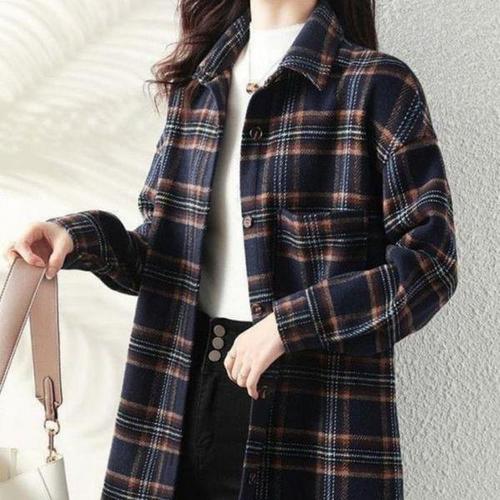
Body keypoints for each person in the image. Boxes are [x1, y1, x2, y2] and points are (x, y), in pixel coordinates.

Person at [3, 0, 458, 499]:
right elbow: (165, 258)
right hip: (176, 400)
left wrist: (288, 325)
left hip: (313, 419)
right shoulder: (198, 88)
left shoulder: (377, 86)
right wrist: (78, 237)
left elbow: (429, 264)